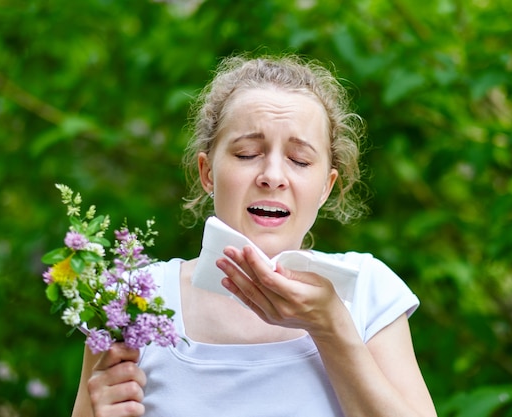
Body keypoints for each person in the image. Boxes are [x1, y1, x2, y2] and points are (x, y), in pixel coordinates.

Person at [71, 54, 437, 417]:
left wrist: (330, 328)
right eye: (247, 154)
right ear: (208, 172)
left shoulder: (368, 291)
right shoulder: (133, 300)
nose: (273, 175)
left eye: (300, 160)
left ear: (326, 187)